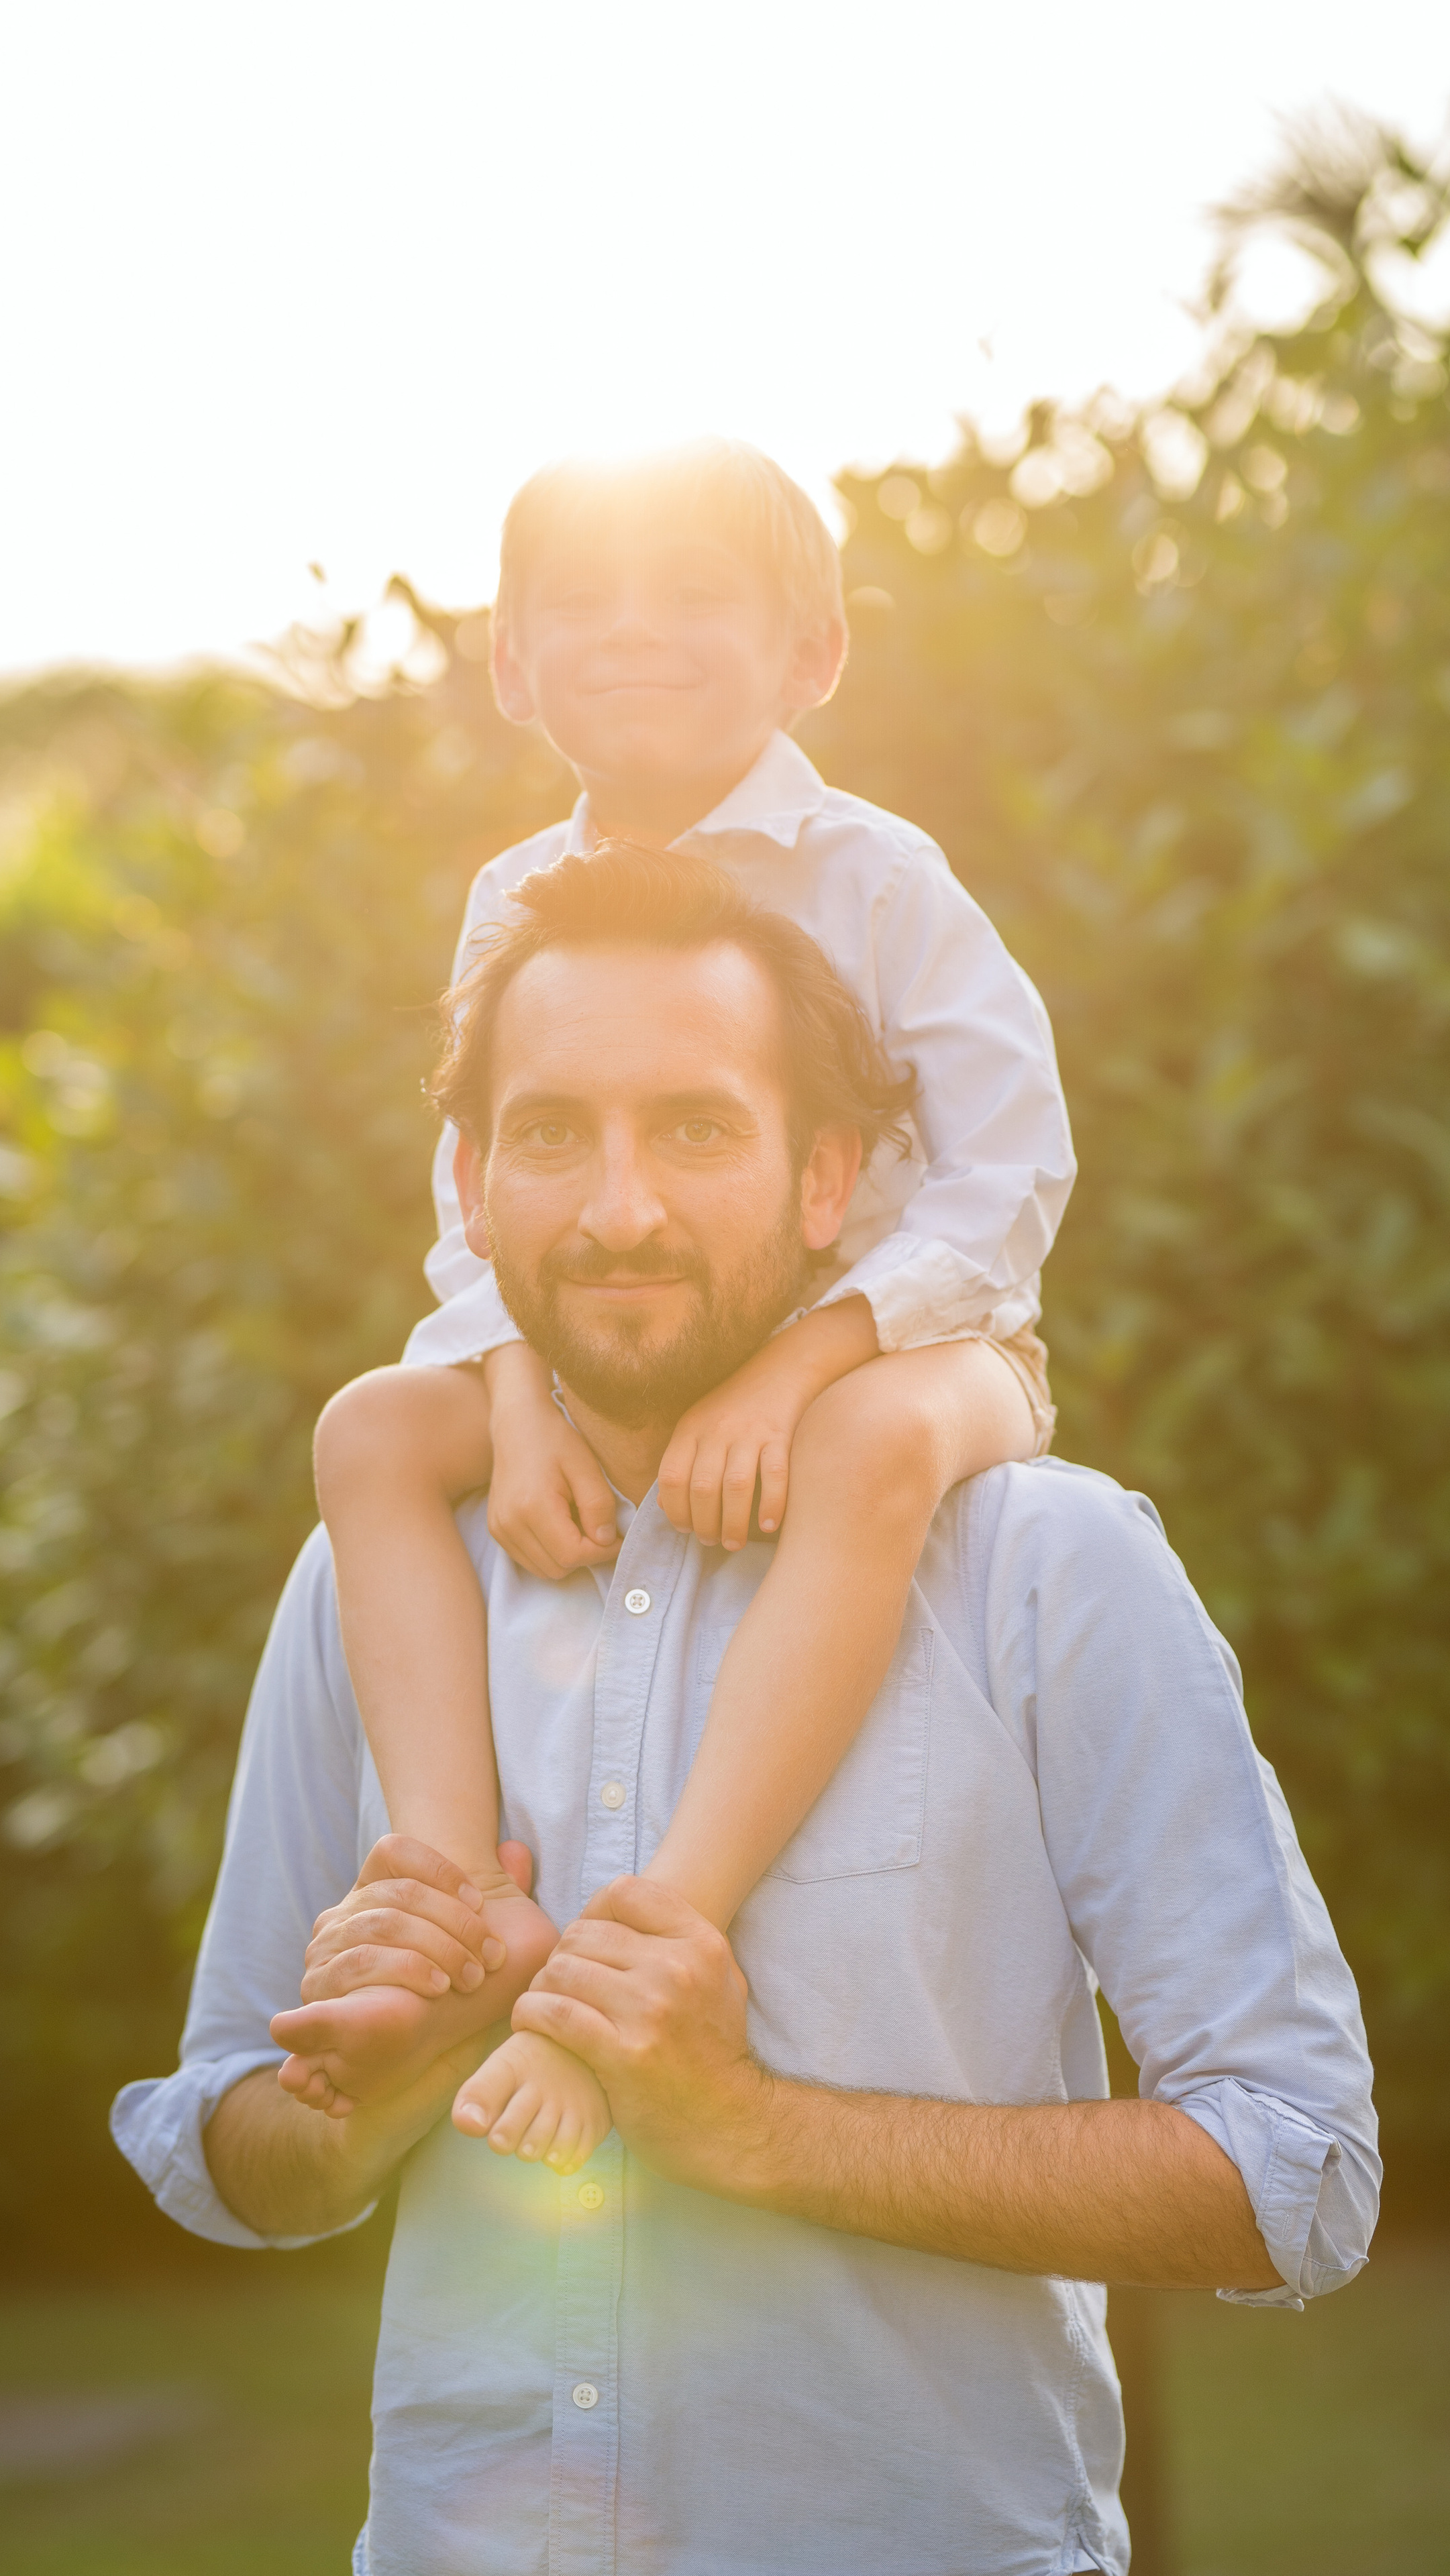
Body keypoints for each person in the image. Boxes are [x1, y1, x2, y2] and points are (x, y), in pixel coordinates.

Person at [113, 841, 1378, 2576]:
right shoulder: (370, 1583)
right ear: (473, 1190)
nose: (619, 1208)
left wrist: (754, 2131)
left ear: (823, 1181)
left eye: (697, 1130)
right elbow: (229, 2145)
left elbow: (1297, 2176)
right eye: (553, 1135)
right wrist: (379, 2091)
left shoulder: (1043, 1569)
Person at [301, 438, 1076, 2166]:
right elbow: (477, 1199)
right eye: (580, 602)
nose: (633, 632)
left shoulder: (878, 876)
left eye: (696, 596)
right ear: (510, 662)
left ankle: (666, 1920)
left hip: (923, 1349)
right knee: (369, 1431)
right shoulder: (514, 897)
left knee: (875, 1445)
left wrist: (808, 1359)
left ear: (814, 657)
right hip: (615, 1358)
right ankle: (446, 1891)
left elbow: (1010, 1171)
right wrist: (509, 1395)